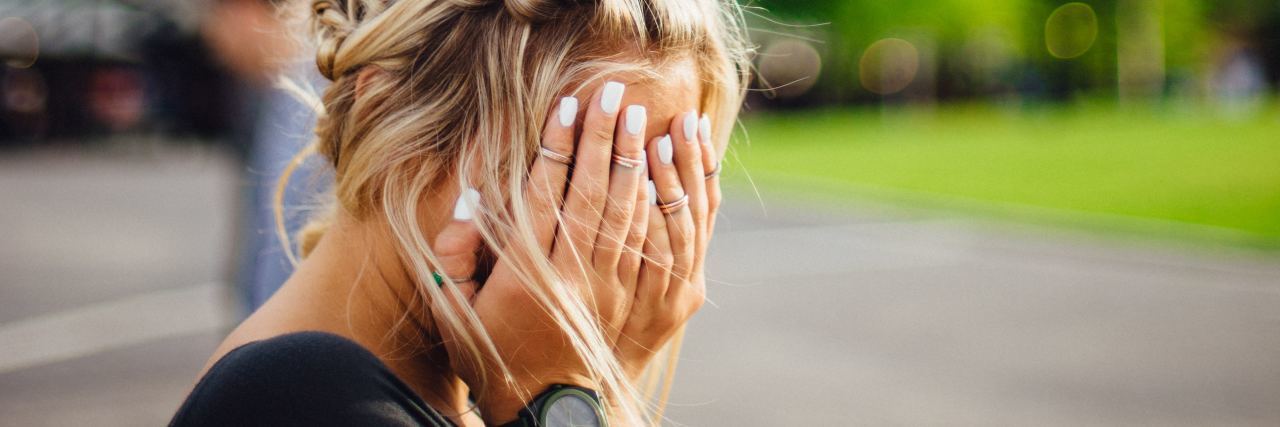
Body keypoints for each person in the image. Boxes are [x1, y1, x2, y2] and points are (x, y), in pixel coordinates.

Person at [171, 0, 749, 425]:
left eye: (655, 185)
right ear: (396, 130)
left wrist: (606, 377)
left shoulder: (456, 389)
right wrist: (551, 394)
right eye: (578, 169)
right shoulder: (300, 394)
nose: (620, 236)